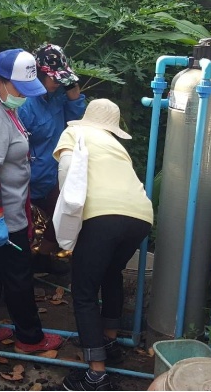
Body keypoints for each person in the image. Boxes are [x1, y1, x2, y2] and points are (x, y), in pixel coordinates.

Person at [0, 49, 64, 354]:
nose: (24, 95)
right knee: (18, 275)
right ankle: (30, 339)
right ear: (0, 81)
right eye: (20, 89)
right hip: (0, 212)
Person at [53, 99, 153, 391]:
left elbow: (67, 173)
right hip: (141, 217)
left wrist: (68, 221)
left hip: (102, 217)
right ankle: (109, 342)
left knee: (83, 291)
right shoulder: (117, 147)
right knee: (111, 274)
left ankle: (96, 374)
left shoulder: (75, 133)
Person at [18, 43, 86, 274]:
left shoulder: (58, 96)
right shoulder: (25, 104)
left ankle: (43, 256)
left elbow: (75, 126)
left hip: (55, 173)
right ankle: (20, 267)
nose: (57, 82)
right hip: (28, 177)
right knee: (21, 228)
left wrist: (74, 97)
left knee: (66, 217)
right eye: (53, 77)